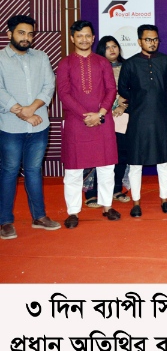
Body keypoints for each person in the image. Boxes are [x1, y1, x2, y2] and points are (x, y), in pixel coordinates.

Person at [0, 15, 61, 239]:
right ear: (9, 34)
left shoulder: (41, 57)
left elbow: (49, 86)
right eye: (21, 33)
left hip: (39, 126)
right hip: (10, 127)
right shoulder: (1, 59)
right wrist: (21, 112)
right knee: (9, 172)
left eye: (30, 34)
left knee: (34, 171)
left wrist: (31, 109)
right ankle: (5, 221)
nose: (26, 37)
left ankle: (39, 217)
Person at [57, 20, 121, 228]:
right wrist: (85, 115)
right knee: (73, 169)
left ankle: (107, 206)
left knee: (106, 166)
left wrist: (100, 113)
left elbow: (111, 90)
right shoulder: (65, 63)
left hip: (102, 120)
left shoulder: (102, 62)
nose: (84, 39)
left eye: (87, 35)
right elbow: (63, 93)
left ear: (93, 38)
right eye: (79, 36)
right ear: (72, 38)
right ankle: (73, 211)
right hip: (76, 122)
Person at [117, 24, 167, 217]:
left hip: (161, 117)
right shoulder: (130, 64)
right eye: (148, 39)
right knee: (135, 164)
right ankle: (136, 202)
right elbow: (123, 88)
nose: (152, 43)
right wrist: (138, 99)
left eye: (155, 39)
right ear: (139, 41)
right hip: (138, 119)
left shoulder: (166, 61)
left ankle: (164, 199)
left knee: (164, 163)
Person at [83, 36, 132, 208]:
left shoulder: (128, 67)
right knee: (98, 155)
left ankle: (116, 189)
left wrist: (123, 106)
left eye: (115, 46)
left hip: (122, 116)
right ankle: (92, 193)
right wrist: (103, 111)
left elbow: (134, 90)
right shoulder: (94, 67)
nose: (112, 50)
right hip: (100, 117)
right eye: (108, 47)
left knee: (121, 154)